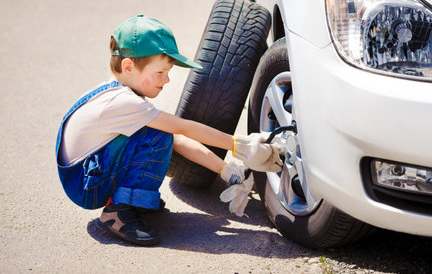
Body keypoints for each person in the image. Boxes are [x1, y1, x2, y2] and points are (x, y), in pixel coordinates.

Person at [55, 15, 281, 246]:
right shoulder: (126, 103)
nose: (168, 79)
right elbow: (182, 128)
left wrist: (226, 170)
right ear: (129, 67)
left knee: (160, 136)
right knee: (157, 138)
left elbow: (179, 140)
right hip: (85, 184)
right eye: (160, 72)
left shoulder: (115, 94)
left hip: (85, 174)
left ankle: (134, 198)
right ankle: (119, 212)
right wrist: (239, 145)